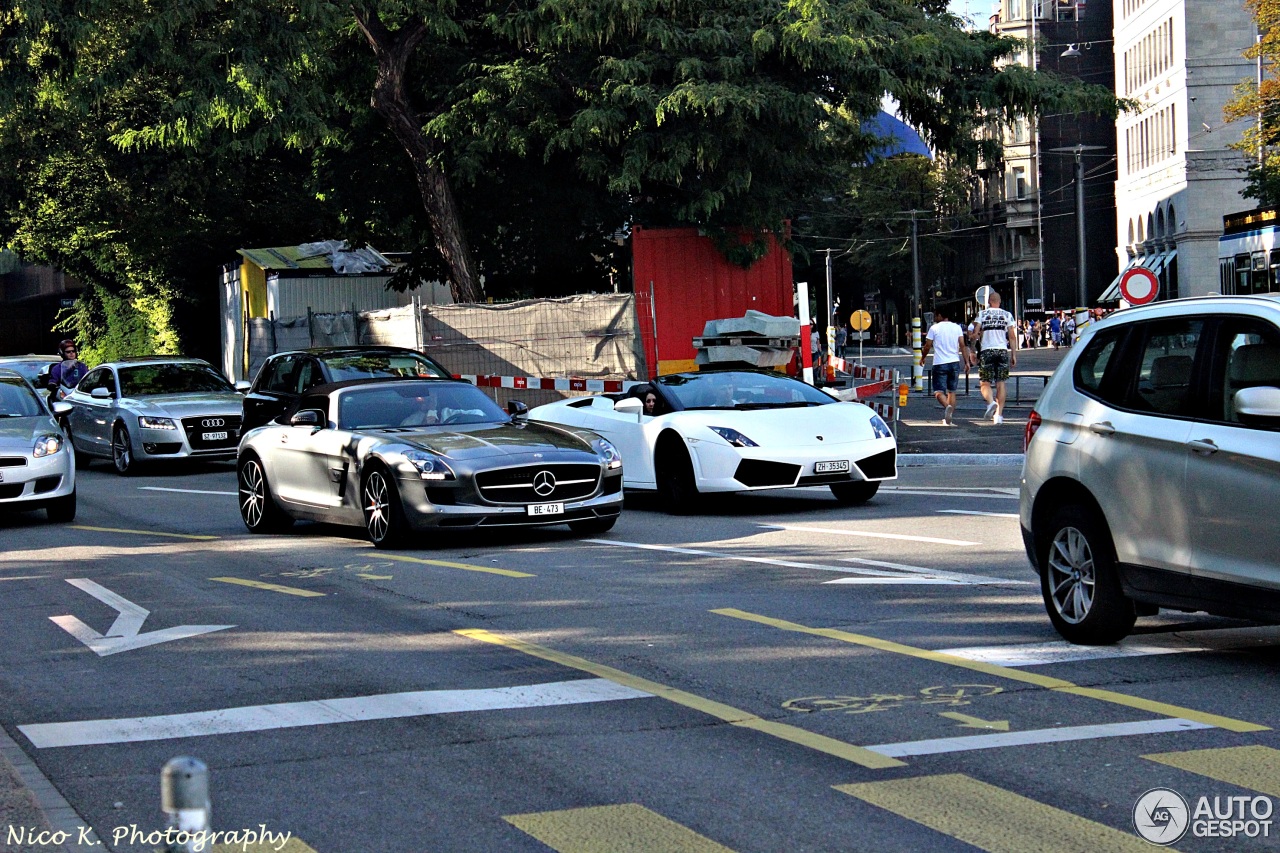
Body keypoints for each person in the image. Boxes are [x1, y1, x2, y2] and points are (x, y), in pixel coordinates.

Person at [972, 291, 1017, 425]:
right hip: (1002, 350)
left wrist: (973, 350)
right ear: (999, 301)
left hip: (987, 350)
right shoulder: (1007, 314)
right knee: (1001, 383)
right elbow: (1012, 336)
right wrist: (1013, 354)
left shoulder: (982, 314)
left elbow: (975, 333)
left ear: (989, 302)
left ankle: (991, 402)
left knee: (985, 382)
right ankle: (999, 415)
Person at [921, 306, 971, 426]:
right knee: (952, 392)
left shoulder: (934, 328)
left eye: (936, 315)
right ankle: (949, 420)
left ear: (940, 315)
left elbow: (927, 346)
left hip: (939, 363)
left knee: (938, 392)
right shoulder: (957, 327)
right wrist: (967, 361)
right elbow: (963, 345)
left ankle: (947, 406)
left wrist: (923, 358)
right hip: (954, 362)